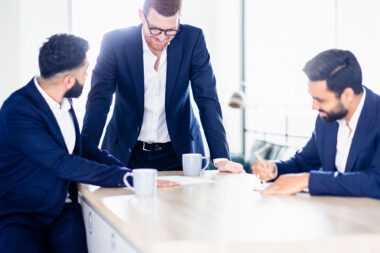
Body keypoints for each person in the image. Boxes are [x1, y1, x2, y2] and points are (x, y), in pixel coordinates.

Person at [0, 34, 178, 253]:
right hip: (23, 215)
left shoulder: (63, 100)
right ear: (68, 80)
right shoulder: (17, 110)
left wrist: (125, 170)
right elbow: (63, 162)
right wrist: (126, 178)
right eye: (85, 71)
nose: (88, 76)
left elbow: (80, 145)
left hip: (62, 210)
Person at [82, 0, 244, 173]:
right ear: (141, 16)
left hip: (180, 152)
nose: (161, 37)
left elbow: (207, 99)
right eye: (155, 29)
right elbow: (99, 101)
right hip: (125, 152)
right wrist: (84, 155)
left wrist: (222, 157)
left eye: (170, 31)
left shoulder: (193, 39)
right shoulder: (115, 42)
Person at [251, 49, 380, 199]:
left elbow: (376, 182)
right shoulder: (327, 117)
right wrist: (274, 169)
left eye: (321, 100)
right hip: (337, 214)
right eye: (313, 98)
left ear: (347, 95)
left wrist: (307, 180)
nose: (314, 106)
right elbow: (303, 162)